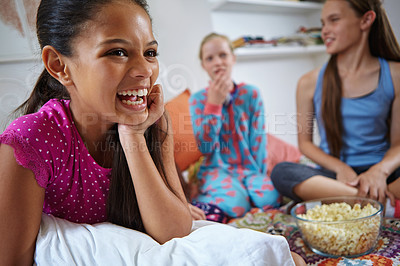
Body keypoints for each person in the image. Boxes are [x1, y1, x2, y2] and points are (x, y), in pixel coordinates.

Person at [0, 0, 195, 264]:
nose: (145, 71)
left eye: (150, 53)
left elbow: (174, 232)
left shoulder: (155, 121)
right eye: (117, 52)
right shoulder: (31, 140)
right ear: (59, 65)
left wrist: (133, 135)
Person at [271, 0, 400, 213]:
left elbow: (398, 143)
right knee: (282, 171)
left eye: (334, 20)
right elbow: (305, 144)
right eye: (323, 23)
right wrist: (341, 169)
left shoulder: (395, 75)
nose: (325, 31)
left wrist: (380, 171)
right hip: (336, 177)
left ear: (366, 20)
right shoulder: (308, 82)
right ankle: (382, 205)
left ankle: (338, 202)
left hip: (384, 174)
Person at [189, 33, 280, 219]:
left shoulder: (251, 93)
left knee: (270, 198)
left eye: (223, 55)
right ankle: (203, 198)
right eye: (210, 58)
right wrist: (213, 105)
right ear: (203, 65)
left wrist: (259, 177)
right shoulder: (197, 100)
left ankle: (243, 195)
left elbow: (258, 140)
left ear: (233, 58)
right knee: (237, 205)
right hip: (216, 170)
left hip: (249, 169)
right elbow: (204, 146)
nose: (217, 62)